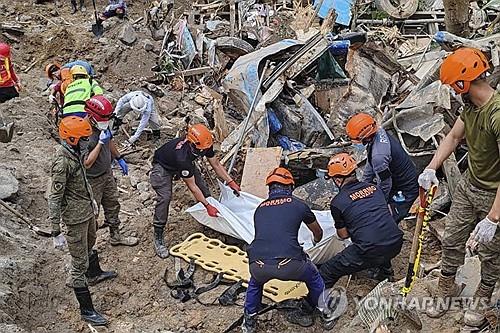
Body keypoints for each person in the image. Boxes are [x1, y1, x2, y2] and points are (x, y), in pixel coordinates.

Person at [418, 47, 500, 327]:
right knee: (452, 239)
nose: (452, 92)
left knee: (492, 252)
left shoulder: (496, 115)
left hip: (494, 195)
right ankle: (446, 287)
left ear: (464, 83)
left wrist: (493, 218)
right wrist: (431, 166)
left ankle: (484, 295)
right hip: (469, 187)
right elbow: (453, 137)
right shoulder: (470, 107)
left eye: (453, 87)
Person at [49, 116, 116, 326]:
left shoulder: (75, 153)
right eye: (84, 138)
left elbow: (83, 179)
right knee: (78, 264)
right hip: (75, 219)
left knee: (90, 243)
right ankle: (87, 310)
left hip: (86, 211)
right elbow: (55, 196)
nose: (88, 141)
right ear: (72, 139)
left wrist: (91, 201)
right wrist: (55, 230)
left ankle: (94, 273)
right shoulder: (62, 162)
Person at [242, 167, 327, 333]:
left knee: (255, 282)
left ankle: (250, 318)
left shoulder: (260, 208)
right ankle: (325, 312)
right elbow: (318, 232)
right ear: (290, 187)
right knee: (314, 276)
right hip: (290, 263)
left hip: (257, 264)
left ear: (270, 188)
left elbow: (267, 235)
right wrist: (315, 241)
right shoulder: (299, 205)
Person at [150, 123, 240, 258]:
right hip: (163, 167)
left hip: (182, 162)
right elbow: (192, 187)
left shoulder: (204, 143)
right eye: (201, 150)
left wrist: (230, 181)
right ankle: (158, 233)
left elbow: (215, 164)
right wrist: (207, 205)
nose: (204, 151)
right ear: (193, 144)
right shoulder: (183, 157)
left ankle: (211, 220)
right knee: (165, 197)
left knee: (204, 190)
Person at [319, 153, 403, 288]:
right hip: (395, 243)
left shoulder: (337, 202)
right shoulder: (374, 188)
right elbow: (386, 213)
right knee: (378, 236)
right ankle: (386, 271)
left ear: (338, 180)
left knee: (327, 271)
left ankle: (320, 304)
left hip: (370, 250)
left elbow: (343, 235)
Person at [82, 95, 138, 246]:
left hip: (107, 173)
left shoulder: (102, 124)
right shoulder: (82, 132)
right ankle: (89, 246)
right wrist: (100, 144)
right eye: (102, 120)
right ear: (91, 116)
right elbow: (86, 163)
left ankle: (115, 235)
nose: (105, 123)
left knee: (112, 204)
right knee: (93, 213)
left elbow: (110, 140)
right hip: (92, 179)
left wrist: (119, 157)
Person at [345, 113, 418, 223]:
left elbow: (385, 184)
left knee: (384, 218)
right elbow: (370, 164)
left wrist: (379, 203)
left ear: (365, 138)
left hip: (406, 188)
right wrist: (364, 184)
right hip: (398, 176)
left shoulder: (379, 157)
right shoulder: (378, 132)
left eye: (356, 140)